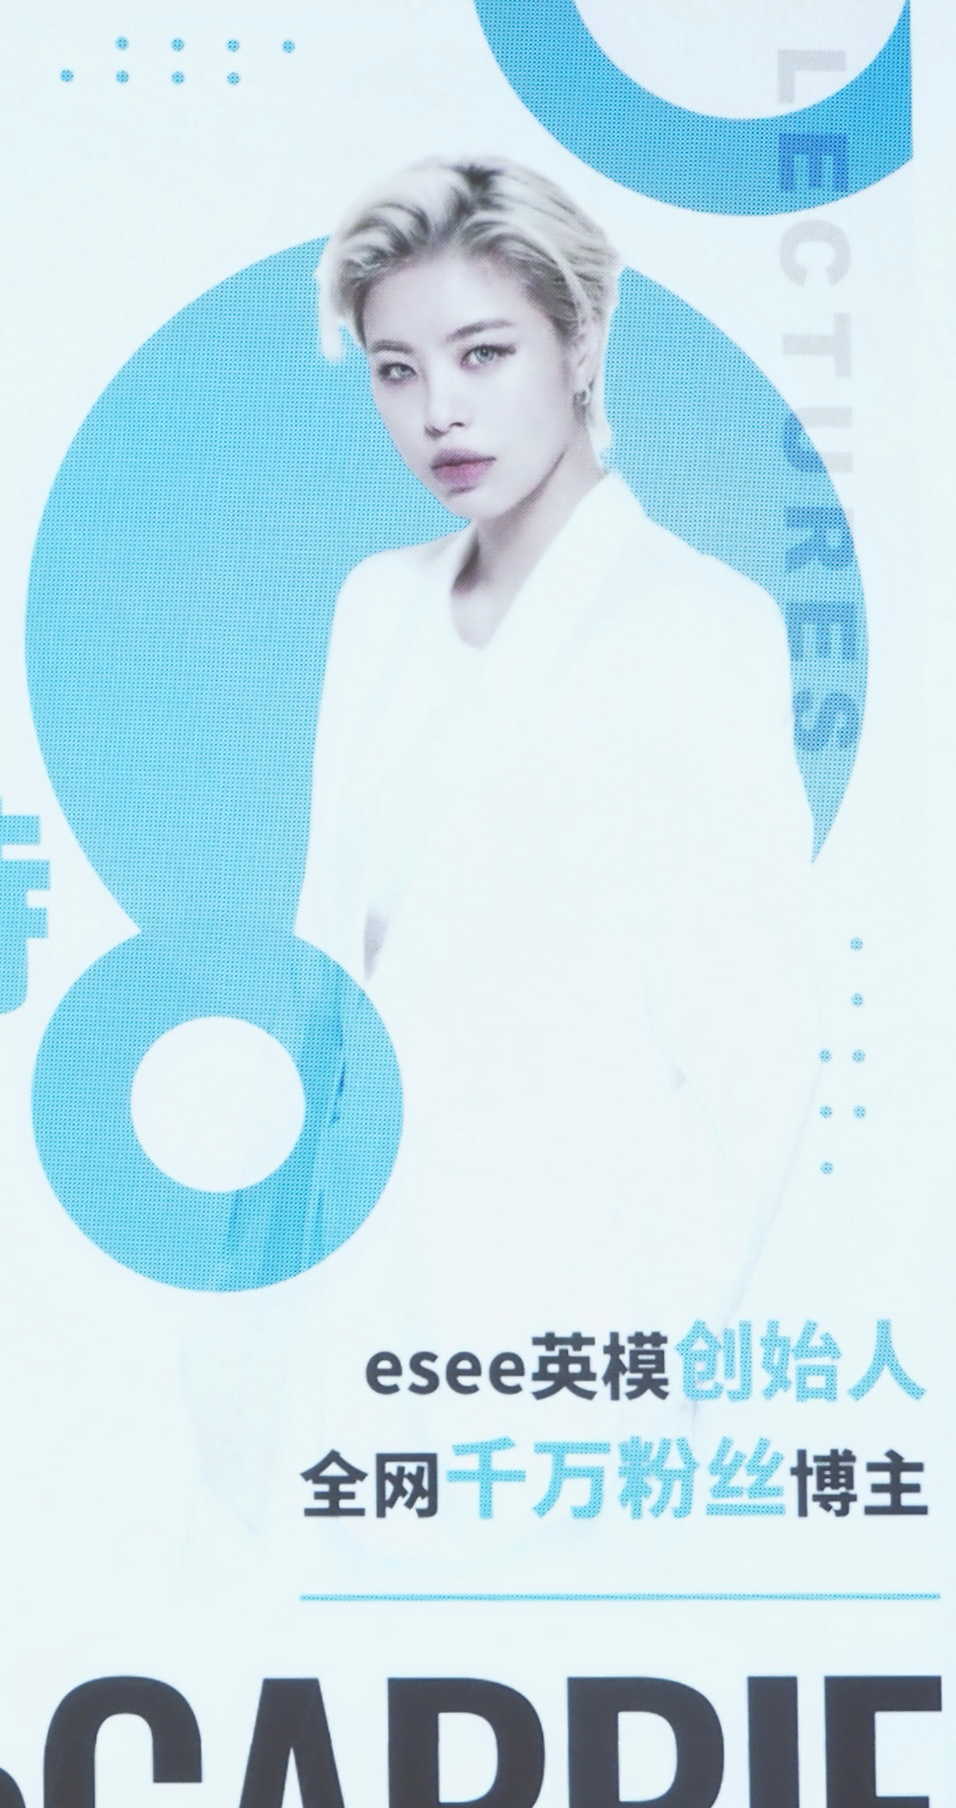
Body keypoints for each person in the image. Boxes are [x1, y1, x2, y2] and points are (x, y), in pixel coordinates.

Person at [295, 156, 819, 1326]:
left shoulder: (694, 626)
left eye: (483, 353)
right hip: (350, 1305)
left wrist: (620, 1338)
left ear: (580, 345)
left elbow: (754, 1058)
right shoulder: (376, 605)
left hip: (559, 1328)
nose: (438, 410)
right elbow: (328, 970)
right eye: (396, 369)